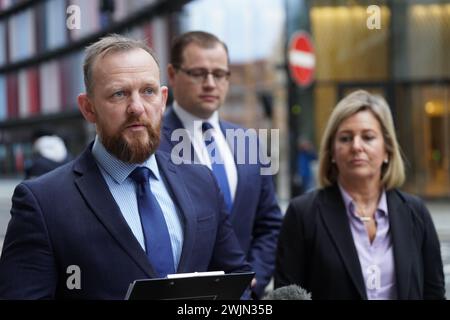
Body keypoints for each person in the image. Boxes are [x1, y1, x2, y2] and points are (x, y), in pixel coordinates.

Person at [0, 34, 251, 299]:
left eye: (148, 91)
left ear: (163, 99)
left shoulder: (202, 182)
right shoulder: (43, 203)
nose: (137, 108)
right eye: (119, 94)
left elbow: (236, 283)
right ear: (88, 108)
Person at [275, 90, 445, 299]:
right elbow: (285, 297)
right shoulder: (303, 214)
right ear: (333, 152)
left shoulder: (415, 212)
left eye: (368, 137)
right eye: (345, 138)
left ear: (387, 150)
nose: (356, 146)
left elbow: (433, 293)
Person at [159, 31, 282, 298]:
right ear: (172, 74)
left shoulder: (247, 142)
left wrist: (252, 279)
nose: (210, 83)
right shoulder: (151, 143)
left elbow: (269, 224)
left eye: (220, 74)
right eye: (198, 73)